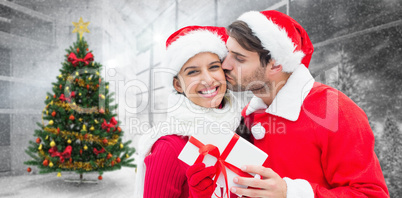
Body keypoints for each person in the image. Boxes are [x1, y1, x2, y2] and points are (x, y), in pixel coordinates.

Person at [187, 10, 389, 197]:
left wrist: (290, 193)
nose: (225, 65)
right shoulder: (245, 116)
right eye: (228, 53)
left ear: (276, 64)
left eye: (239, 58)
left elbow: (370, 193)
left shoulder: (335, 111)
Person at [134, 26, 241, 198]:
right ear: (177, 85)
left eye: (214, 67)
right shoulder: (169, 147)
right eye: (193, 72)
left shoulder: (240, 128)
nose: (208, 79)